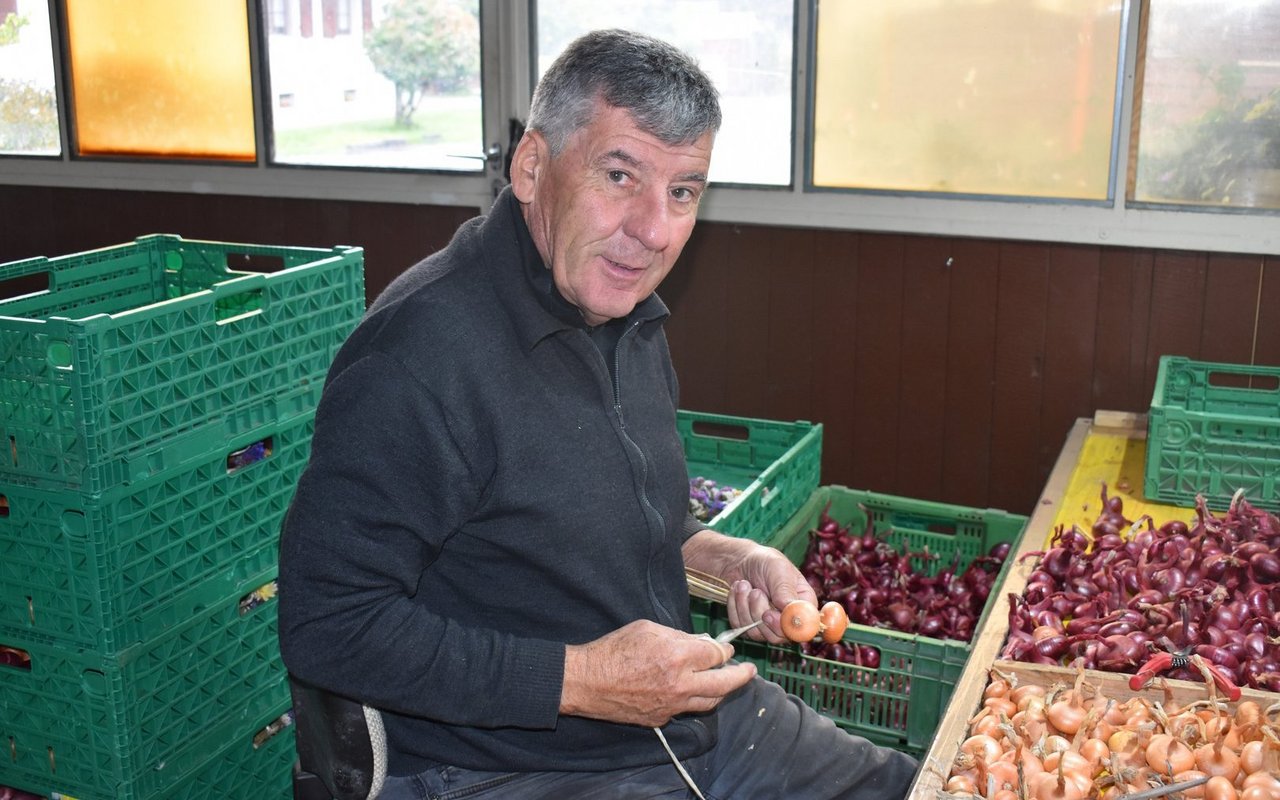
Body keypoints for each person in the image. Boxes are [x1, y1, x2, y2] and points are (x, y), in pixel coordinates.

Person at [278, 28, 918, 800]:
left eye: (683, 192)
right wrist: (584, 681)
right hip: (503, 767)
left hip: (676, 717)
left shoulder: (622, 312)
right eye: (620, 175)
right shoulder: (418, 360)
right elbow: (326, 625)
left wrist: (729, 561)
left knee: (919, 787)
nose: (654, 231)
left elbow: (613, 518)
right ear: (531, 166)